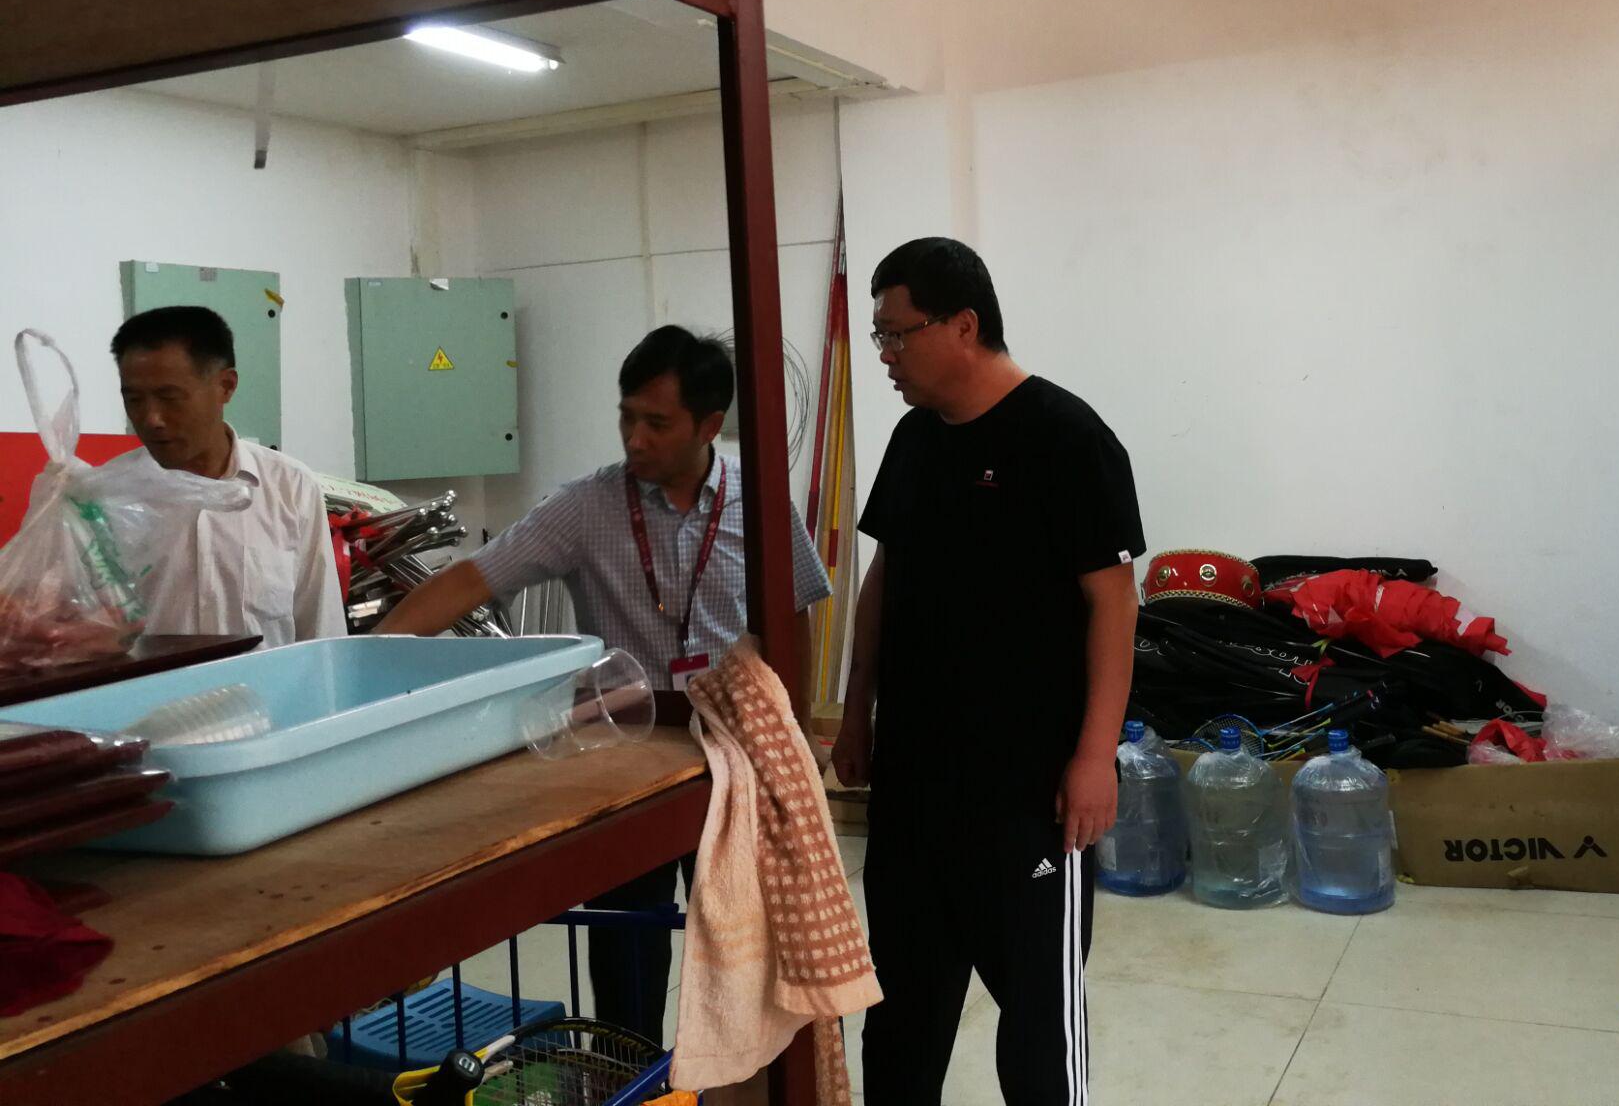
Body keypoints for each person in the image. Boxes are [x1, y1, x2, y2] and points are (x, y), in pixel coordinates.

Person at [375, 325, 831, 1047]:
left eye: (657, 422)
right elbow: (469, 580)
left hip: (738, 757)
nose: (635, 439)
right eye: (627, 417)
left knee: (745, 950)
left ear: (709, 425)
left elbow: (795, 613)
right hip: (626, 759)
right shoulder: (586, 508)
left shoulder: (761, 501)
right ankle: (629, 1070)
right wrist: (369, 657)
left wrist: (795, 733)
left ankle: (739, 1077)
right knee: (626, 953)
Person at [833, 237, 1144, 1106]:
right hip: (914, 787)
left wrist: (1096, 757)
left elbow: (1115, 605)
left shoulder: (1068, 439)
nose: (885, 355)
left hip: (1028, 795)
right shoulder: (913, 439)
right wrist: (856, 713)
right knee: (901, 1017)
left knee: (1039, 1026)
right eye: (879, 336)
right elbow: (884, 580)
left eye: (897, 334)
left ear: (963, 326)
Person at [112, 305, 346, 648]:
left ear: (226, 385)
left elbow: (321, 632)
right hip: (152, 687)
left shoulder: (291, 488)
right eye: (134, 400)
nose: (151, 419)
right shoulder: (108, 499)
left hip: (266, 685)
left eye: (169, 398)